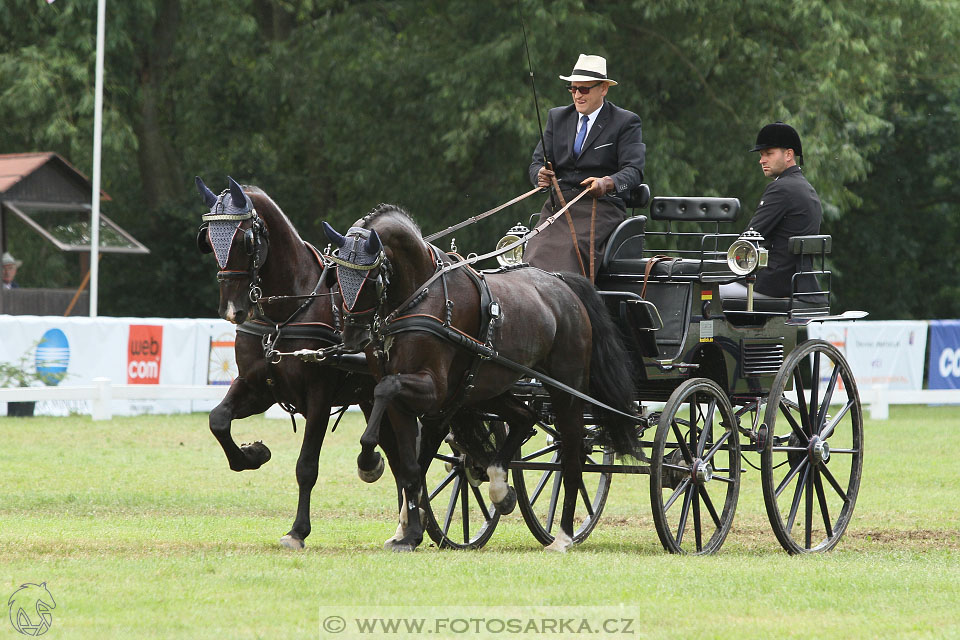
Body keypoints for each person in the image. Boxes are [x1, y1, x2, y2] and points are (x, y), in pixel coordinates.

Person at [524, 54, 645, 279]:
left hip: (600, 208)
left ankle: (570, 307)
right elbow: (537, 163)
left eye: (584, 89)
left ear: (604, 89)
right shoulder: (557, 117)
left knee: (571, 249)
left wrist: (606, 183)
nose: (578, 95)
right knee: (533, 251)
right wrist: (540, 176)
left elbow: (634, 171)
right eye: (573, 89)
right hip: (558, 207)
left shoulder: (625, 122)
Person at [722, 122, 822, 300]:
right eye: (761, 155)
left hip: (771, 285)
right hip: (798, 284)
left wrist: (716, 262)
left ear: (789, 154)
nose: (762, 160)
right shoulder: (806, 188)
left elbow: (748, 241)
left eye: (769, 153)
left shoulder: (781, 189)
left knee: (699, 291)